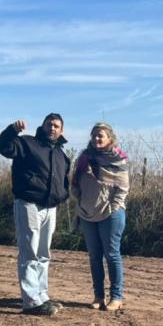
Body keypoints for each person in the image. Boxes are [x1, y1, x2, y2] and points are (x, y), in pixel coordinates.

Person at [0, 113, 71, 316]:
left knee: (44, 254)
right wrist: (12, 131)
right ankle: (31, 301)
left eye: (56, 126)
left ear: (61, 130)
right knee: (29, 252)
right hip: (29, 204)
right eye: (49, 124)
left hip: (50, 208)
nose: (52, 128)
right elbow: (2, 147)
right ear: (42, 126)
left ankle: (41, 295)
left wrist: (62, 196)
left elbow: (64, 180)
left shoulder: (61, 154)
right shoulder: (27, 143)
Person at [71, 122, 129, 311]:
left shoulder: (118, 159)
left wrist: (112, 207)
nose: (96, 138)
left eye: (100, 135)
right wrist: (80, 201)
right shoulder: (84, 158)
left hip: (111, 214)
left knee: (112, 254)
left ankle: (116, 297)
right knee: (94, 256)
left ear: (109, 138)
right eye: (94, 135)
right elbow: (75, 182)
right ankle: (98, 296)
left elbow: (123, 188)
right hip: (87, 213)